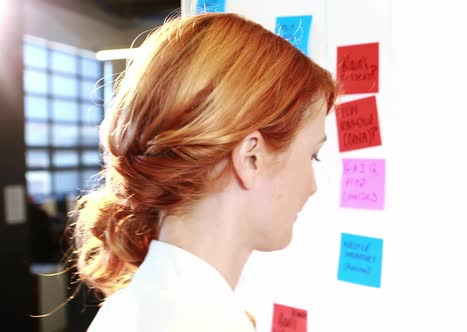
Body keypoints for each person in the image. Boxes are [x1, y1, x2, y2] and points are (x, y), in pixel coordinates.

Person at [70, 12, 338, 332]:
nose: (312, 187)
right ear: (251, 157)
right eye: (312, 155)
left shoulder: (125, 308)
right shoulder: (205, 321)